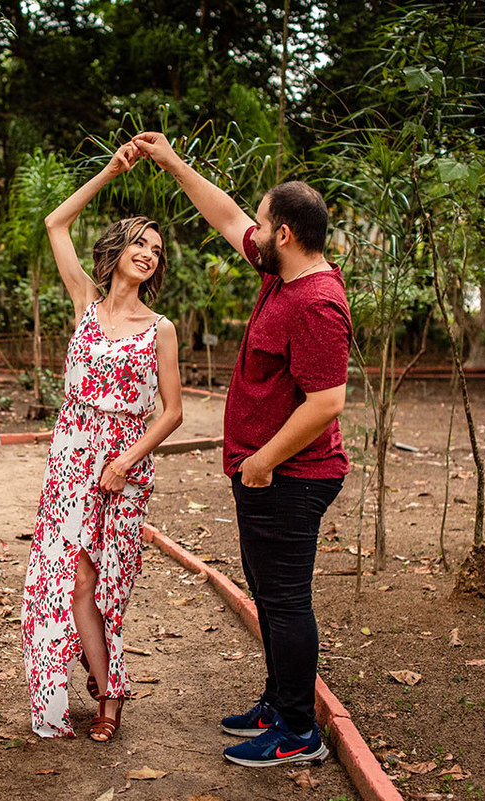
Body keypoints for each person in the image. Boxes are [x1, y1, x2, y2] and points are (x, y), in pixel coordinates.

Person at [132, 131, 351, 767]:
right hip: (266, 475)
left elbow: (327, 402)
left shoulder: (315, 303)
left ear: (283, 232)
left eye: (262, 220)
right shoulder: (282, 272)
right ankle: (279, 699)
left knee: (283, 600)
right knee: (267, 589)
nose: (250, 228)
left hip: (291, 476)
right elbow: (224, 214)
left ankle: (296, 730)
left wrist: (264, 461)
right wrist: (173, 163)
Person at [21, 142, 184, 742]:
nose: (148, 254)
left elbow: (172, 412)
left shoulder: (160, 329)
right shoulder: (85, 304)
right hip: (70, 454)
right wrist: (109, 171)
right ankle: (109, 689)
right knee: (71, 577)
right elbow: (55, 222)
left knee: (107, 580)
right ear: (117, 252)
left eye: (157, 250)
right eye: (140, 243)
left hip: (123, 462)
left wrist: (125, 461)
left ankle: (106, 681)